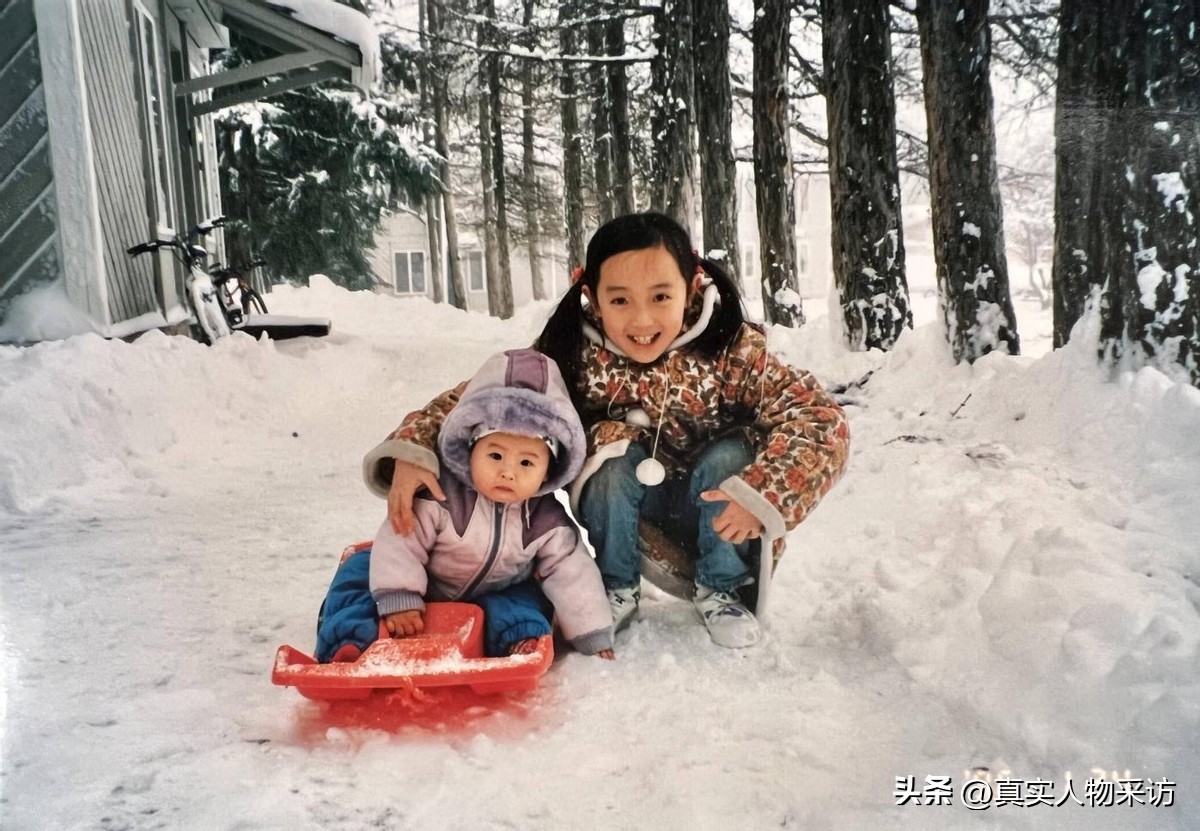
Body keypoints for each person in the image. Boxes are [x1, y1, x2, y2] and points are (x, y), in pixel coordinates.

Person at [373, 213, 850, 649]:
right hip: (638, 520)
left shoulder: (733, 349)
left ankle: (721, 589)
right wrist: (413, 448)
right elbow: (487, 399)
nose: (641, 321)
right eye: (619, 300)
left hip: (726, 516)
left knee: (729, 457)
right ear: (592, 297)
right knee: (611, 454)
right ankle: (614, 585)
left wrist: (762, 491)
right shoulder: (571, 354)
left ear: (691, 284)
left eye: (661, 296)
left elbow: (821, 419)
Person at [316, 348, 614, 663]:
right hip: (425, 579)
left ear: (548, 471)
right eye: (495, 455)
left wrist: (590, 632)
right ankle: (351, 641)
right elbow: (401, 537)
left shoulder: (546, 520)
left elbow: (572, 571)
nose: (508, 472)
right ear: (470, 448)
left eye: (526, 462)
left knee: (525, 600)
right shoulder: (441, 495)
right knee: (358, 577)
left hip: (495, 589)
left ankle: (519, 640)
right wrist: (398, 594)